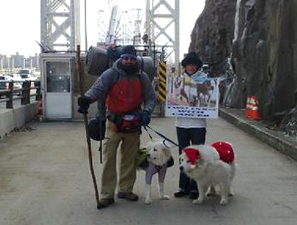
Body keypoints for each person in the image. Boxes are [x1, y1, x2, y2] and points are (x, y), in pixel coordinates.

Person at [78, 45, 156, 208]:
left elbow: (150, 97)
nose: (129, 61)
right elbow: (97, 90)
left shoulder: (143, 78)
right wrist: (86, 100)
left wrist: (147, 112)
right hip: (113, 122)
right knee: (109, 158)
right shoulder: (110, 74)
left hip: (134, 123)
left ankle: (125, 189)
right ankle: (106, 194)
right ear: (121, 58)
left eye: (132, 58)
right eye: (126, 58)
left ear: (136, 60)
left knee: (130, 158)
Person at [174, 51, 207, 200]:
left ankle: (195, 187)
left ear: (197, 66)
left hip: (198, 123)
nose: (191, 67)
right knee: (183, 154)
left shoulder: (206, 80)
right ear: (185, 66)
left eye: (194, 65)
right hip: (181, 123)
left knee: (197, 155)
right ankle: (183, 186)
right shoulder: (177, 80)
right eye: (188, 64)